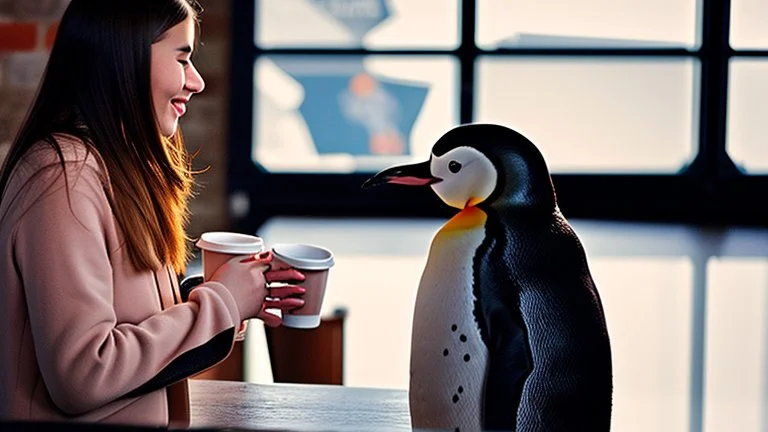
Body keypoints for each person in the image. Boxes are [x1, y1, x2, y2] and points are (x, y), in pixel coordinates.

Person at [0, 0, 305, 427]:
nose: (195, 81)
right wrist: (223, 304)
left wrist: (225, 294)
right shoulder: (62, 175)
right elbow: (83, 373)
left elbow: (121, 321)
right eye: (182, 58)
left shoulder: (108, 165)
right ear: (126, 57)